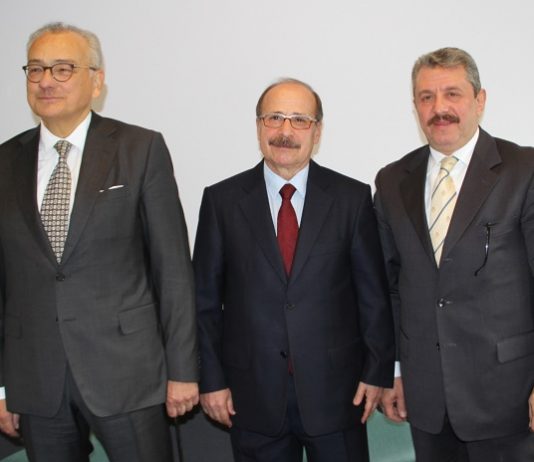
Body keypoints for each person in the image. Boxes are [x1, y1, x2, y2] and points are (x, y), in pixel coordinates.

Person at [0, 22, 199, 461]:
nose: (46, 81)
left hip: (128, 374)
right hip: (36, 381)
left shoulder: (140, 148)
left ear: (96, 81)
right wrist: (1, 385)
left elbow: (172, 269)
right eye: (36, 69)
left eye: (63, 68)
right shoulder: (4, 162)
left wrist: (183, 371)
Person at [193, 78, 394, 462]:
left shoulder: (352, 199)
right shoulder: (221, 201)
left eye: (300, 120)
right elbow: (204, 303)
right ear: (258, 126)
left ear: (317, 132)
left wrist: (377, 371)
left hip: (338, 395)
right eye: (274, 118)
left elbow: (373, 296)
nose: (285, 131)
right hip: (250, 397)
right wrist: (211, 380)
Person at [375, 47, 534, 461]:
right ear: (415, 106)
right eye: (426, 97)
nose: (439, 108)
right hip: (427, 398)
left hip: (508, 396)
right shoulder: (392, 181)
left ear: (480, 101)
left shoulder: (523, 170)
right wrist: (394, 370)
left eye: (452, 94)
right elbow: (390, 288)